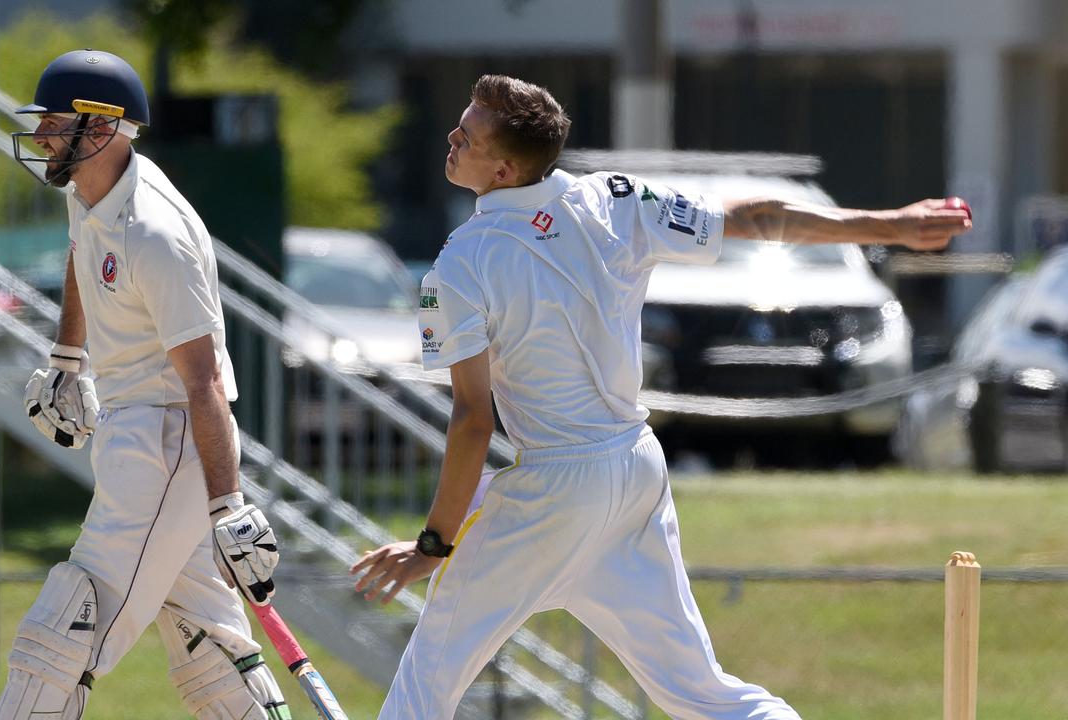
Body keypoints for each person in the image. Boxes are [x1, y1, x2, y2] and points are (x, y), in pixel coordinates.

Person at [350, 74, 971, 719]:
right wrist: (887, 224)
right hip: (635, 468)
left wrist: (433, 543)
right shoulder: (616, 198)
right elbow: (753, 218)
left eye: (467, 136)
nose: (450, 140)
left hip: (554, 489)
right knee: (703, 694)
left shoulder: (459, 264)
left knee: (424, 689)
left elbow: (474, 420)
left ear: (504, 169)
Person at [0, 49, 291, 720]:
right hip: (135, 433)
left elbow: (206, 379)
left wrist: (228, 507)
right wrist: (70, 357)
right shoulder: (92, 190)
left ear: (100, 128)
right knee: (209, 647)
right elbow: (81, 252)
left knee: (61, 635)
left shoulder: (156, 234)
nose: (41, 135)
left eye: (54, 121)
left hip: (165, 440)